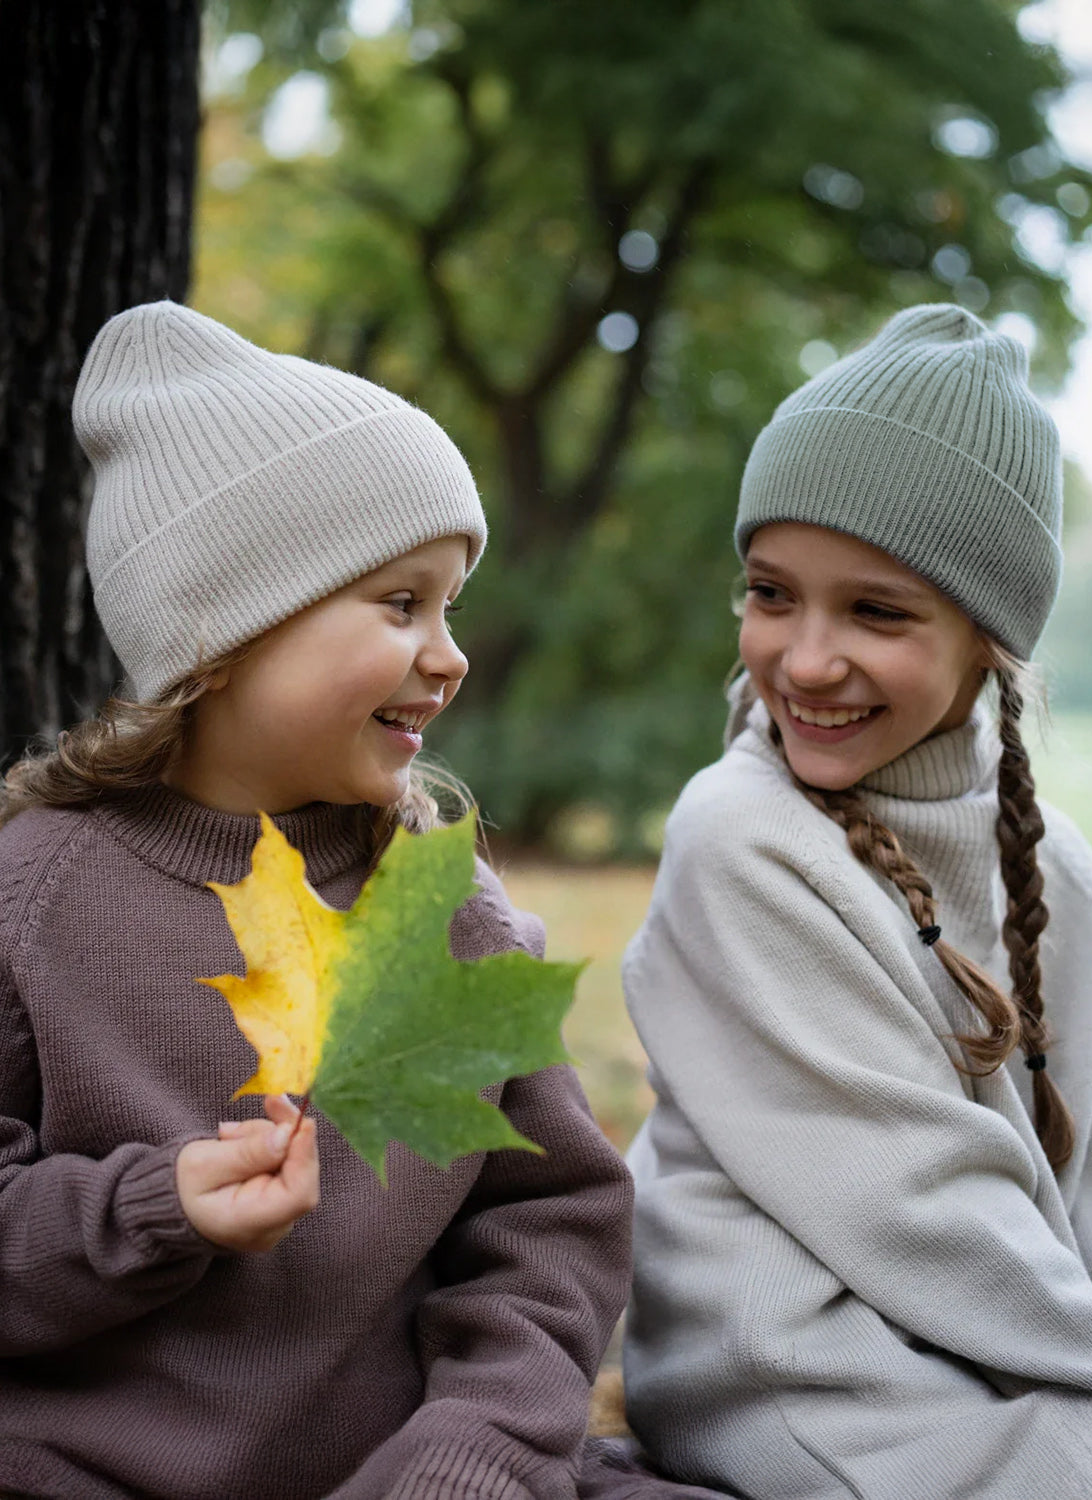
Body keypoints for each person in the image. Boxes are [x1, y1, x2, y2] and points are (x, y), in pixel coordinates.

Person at [0, 302, 716, 1500]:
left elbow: (548, 1239)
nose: (451, 653)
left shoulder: (440, 911)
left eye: (451, 606)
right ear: (222, 635)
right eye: (400, 605)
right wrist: (148, 1208)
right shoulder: (35, 896)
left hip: (397, 1471)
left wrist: (467, 1461)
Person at [622, 304, 1092, 1499]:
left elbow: (1088, 1156)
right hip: (792, 1359)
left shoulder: (1060, 875)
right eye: (771, 593)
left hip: (987, 1322)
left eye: (877, 611)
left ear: (988, 635)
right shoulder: (740, 838)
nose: (803, 658)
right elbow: (915, 1198)